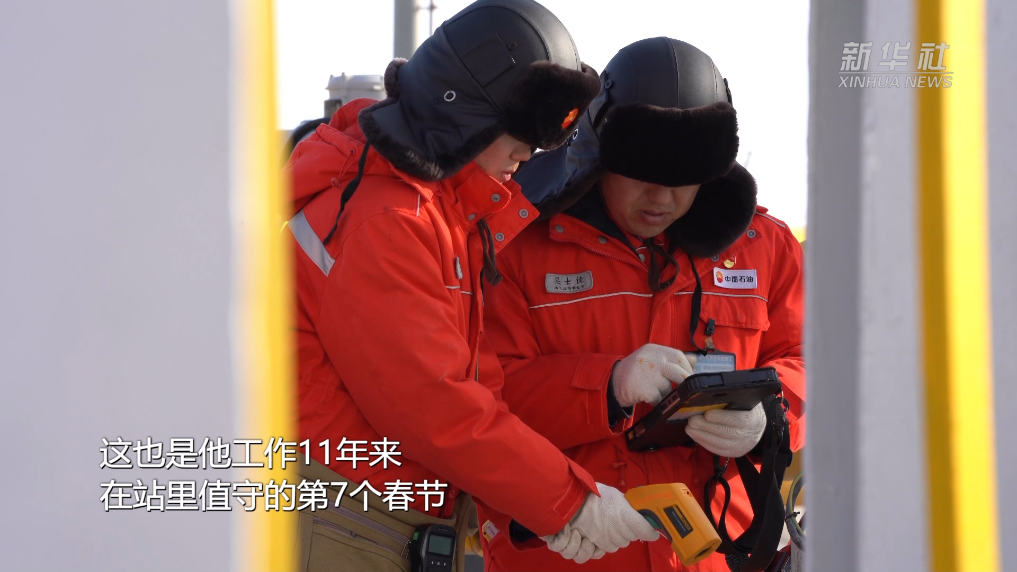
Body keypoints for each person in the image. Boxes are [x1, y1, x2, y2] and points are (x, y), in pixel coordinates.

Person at [285, 2, 658, 570]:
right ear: (463, 111)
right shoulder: (388, 219)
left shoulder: (441, 216)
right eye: (520, 132)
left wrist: (545, 505)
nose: (527, 154)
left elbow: (479, 392)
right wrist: (567, 501)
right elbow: (433, 405)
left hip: (388, 517)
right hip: (347, 517)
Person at [478, 37, 806, 571]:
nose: (661, 199)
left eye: (682, 181)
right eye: (641, 176)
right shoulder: (514, 247)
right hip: (574, 556)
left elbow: (814, 366)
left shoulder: (766, 247)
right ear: (598, 156)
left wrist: (769, 418)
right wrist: (606, 386)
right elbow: (481, 399)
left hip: (724, 556)